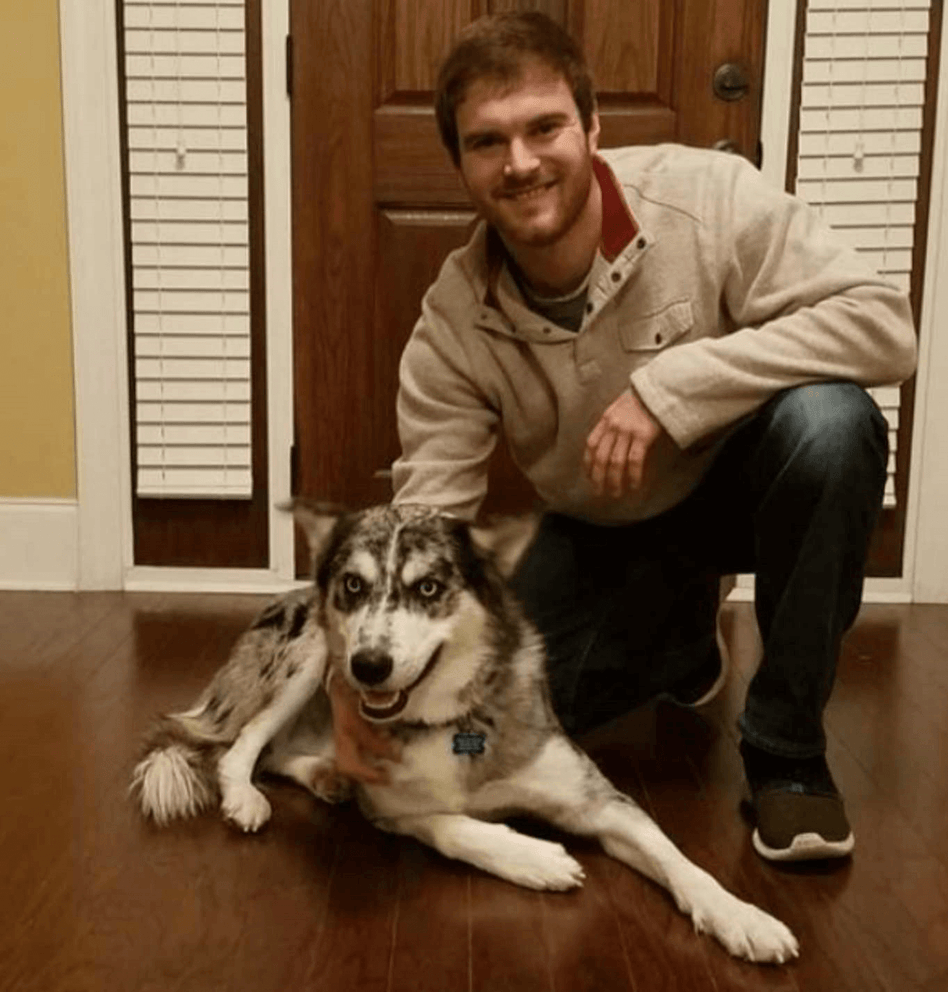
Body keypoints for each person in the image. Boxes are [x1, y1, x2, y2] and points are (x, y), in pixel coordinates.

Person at [325, 11, 916, 862]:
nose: (521, 162)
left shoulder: (706, 200)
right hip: (600, 530)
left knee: (833, 424)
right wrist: (373, 659)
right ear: (461, 165)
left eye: (544, 127)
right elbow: (431, 529)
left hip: (742, 485)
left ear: (592, 127)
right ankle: (680, 641)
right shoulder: (453, 324)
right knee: (481, 736)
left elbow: (883, 326)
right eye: (488, 142)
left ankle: (787, 753)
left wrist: (673, 386)